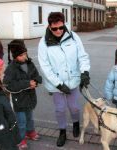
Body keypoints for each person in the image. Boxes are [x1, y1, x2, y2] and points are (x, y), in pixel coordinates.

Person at [38, 12, 90, 147]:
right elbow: (45, 66)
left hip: (73, 81)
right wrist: (59, 84)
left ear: (64, 24)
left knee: (74, 108)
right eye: (55, 28)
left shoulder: (73, 37)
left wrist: (85, 72)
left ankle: (76, 123)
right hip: (56, 84)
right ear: (49, 27)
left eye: (61, 27)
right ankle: (62, 131)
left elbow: (82, 57)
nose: (59, 31)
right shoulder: (43, 42)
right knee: (60, 109)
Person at [3, 39, 42, 150]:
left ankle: (30, 132)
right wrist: (27, 84)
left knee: (30, 118)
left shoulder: (30, 63)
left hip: (30, 98)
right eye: (21, 55)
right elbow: (8, 84)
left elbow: (36, 75)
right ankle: (21, 138)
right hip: (19, 101)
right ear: (15, 56)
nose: (24, 57)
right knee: (21, 121)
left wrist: (36, 81)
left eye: (25, 54)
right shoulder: (11, 68)